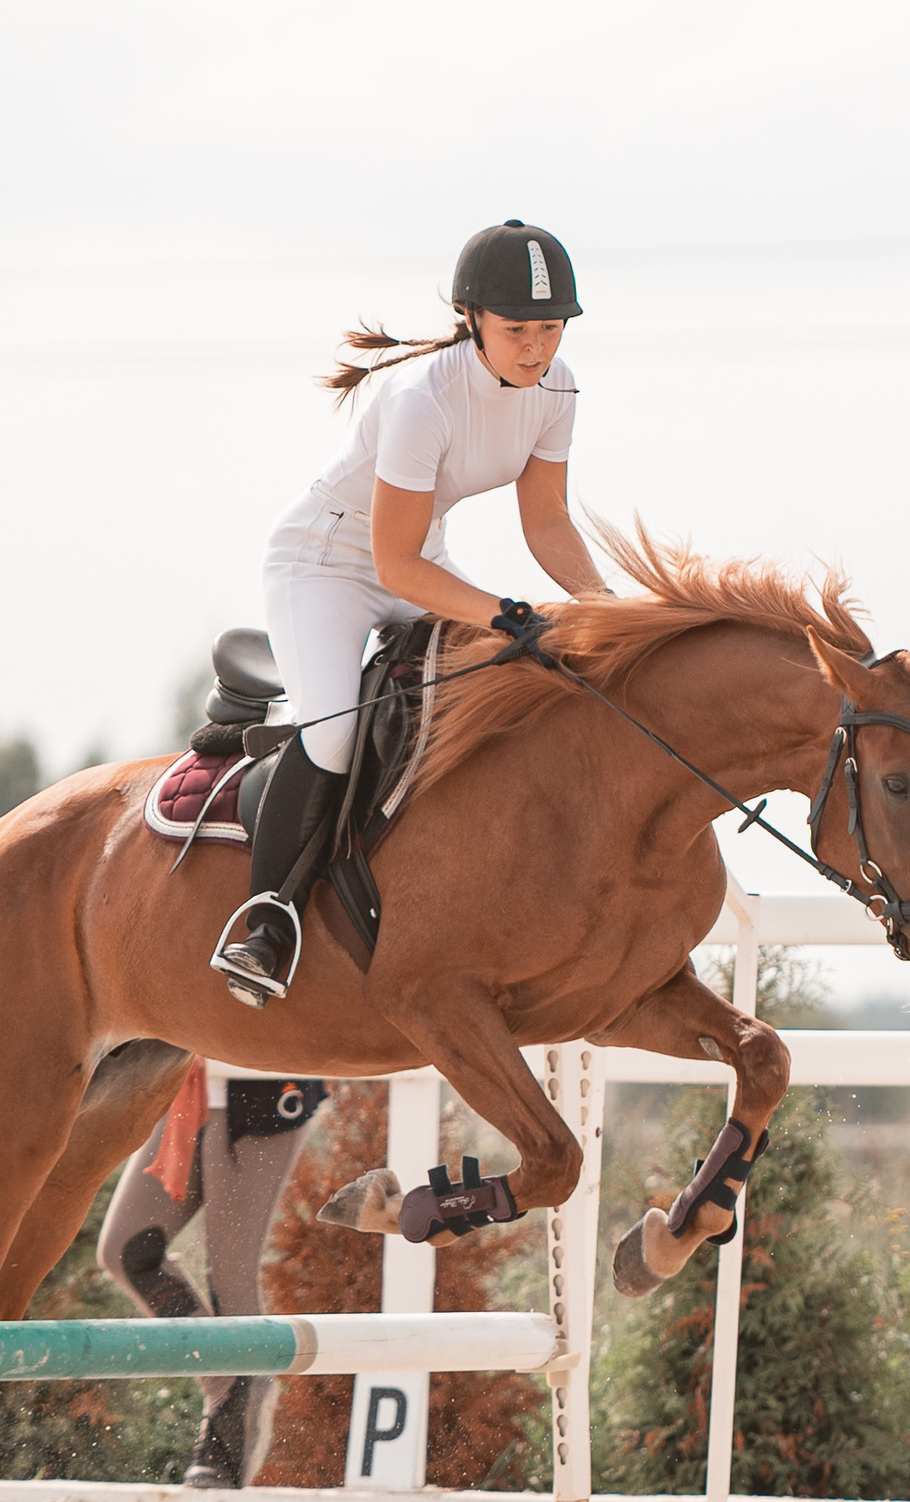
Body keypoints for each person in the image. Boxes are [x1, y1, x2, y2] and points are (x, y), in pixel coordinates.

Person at [211, 219, 616, 1008]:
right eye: (516, 329)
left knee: (505, 690)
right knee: (332, 732)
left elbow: (547, 524)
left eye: (549, 326)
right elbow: (391, 563)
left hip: (416, 561)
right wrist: (503, 612)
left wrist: (607, 615)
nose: (535, 347)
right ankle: (266, 921)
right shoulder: (421, 398)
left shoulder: (557, 389)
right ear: (472, 321)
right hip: (325, 563)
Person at [98, 1062, 328, 1488]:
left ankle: (231, 1424)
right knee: (125, 1251)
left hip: (260, 1081)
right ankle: (230, 1381)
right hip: (187, 1079)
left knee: (230, 1280)